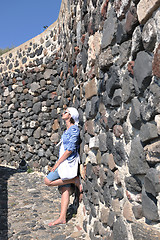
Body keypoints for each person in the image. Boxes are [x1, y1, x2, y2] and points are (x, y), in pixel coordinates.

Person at [44, 107, 83, 227]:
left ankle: (74, 180)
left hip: (66, 162)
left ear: (70, 116)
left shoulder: (74, 130)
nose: (63, 113)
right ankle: (62, 218)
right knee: (65, 190)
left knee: (48, 180)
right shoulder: (67, 130)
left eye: (66, 112)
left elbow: (70, 149)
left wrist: (57, 163)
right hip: (64, 163)